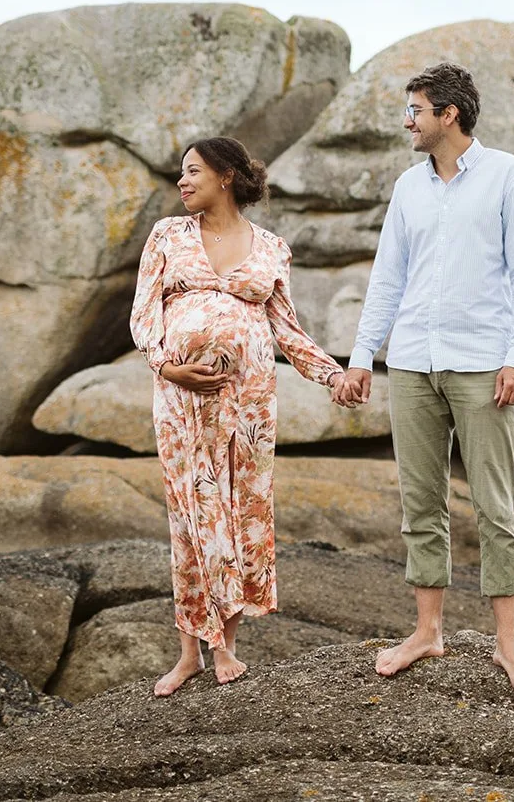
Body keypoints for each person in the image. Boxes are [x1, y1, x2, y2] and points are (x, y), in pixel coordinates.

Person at [333, 61, 514, 702]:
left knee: (495, 506)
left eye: (416, 110)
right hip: (412, 363)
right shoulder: (408, 187)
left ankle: (509, 646)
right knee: (420, 505)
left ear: (448, 114)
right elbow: (387, 279)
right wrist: (361, 356)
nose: (409, 120)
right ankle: (427, 631)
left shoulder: (509, 175)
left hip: (483, 362)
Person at [130, 136, 350, 696]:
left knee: (240, 511)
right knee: (192, 514)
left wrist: (332, 375)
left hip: (249, 404)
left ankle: (226, 643)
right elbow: (143, 316)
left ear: (225, 175)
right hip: (182, 401)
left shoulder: (271, 247)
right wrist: (166, 367)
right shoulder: (167, 236)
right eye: (181, 173)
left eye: (193, 171)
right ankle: (192, 652)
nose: (182, 182)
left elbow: (287, 330)